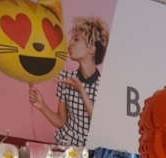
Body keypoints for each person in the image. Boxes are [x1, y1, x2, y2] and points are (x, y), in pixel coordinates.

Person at [28, 17, 110, 146]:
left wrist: (81, 90)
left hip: (90, 151)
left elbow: (99, 124)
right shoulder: (66, 78)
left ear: (91, 48)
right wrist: (42, 106)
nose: (70, 43)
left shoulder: (104, 85)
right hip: (66, 146)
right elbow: (61, 121)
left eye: (76, 39)